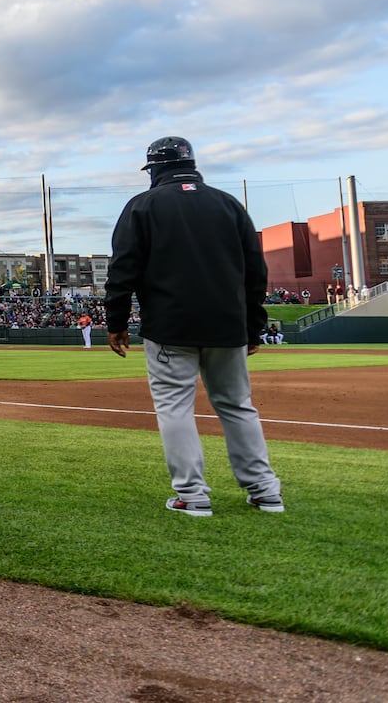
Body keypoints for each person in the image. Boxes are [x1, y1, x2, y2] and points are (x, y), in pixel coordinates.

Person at [104, 136, 283, 518]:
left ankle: (193, 495)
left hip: (170, 326)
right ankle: (266, 492)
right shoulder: (228, 204)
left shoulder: (143, 205)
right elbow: (256, 272)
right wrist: (254, 327)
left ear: (154, 170)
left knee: (175, 408)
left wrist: (115, 322)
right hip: (228, 325)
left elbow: (122, 270)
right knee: (238, 406)